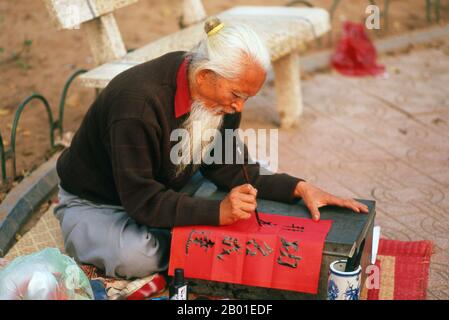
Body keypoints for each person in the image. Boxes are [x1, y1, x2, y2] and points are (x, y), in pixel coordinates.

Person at [54, 18, 368, 279]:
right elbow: (141, 200)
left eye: (247, 97)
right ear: (205, 76)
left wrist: (299, 188)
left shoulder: (220, 99)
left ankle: (192, 239)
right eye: (236, 94)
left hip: (170, 183)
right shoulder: (136, 106)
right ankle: (190, 242)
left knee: (246, 192)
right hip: (98, 203)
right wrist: (217, 212)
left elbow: (231, 168)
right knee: (137, 257)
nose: (238, 106)